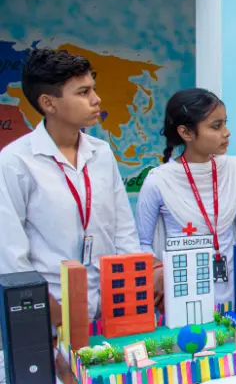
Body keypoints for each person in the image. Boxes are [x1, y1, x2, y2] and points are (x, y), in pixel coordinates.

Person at [0, 47, 141, 324]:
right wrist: (52, 319)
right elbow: (10, 254)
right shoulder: (15, 162)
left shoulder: (101, 153)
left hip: (111, 307)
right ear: (49, 103)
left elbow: (124, 232)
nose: (96, 99)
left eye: (93, 89)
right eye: (83, 92)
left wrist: (130, 296)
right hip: (51, 312)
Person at [136, 88, 236, 308]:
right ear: (186, 133)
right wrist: (157, 271)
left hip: (235, 290)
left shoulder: (233, 169)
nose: (227, 132)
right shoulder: (158, 181)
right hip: (182, 292)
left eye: (225, 123)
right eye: (216, 126)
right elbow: (142, 242)